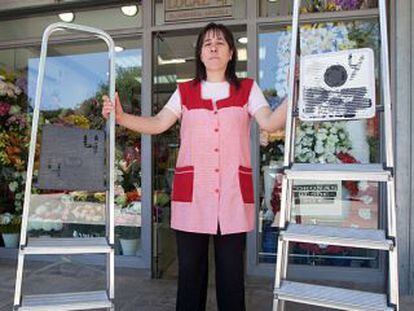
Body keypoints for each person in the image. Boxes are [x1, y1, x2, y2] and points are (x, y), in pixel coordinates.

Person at [102, 22, 287, 311]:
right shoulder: (184, 92)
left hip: (232, 196)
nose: (213, 47)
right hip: (193, 196)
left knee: (231, 277)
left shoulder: (248, 89)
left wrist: (298, 90)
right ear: (200, 54)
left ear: (230, 53)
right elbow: (158, 123)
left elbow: (271, 122)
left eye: (220, 43)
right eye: (207, 44)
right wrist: (122, 118)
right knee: (190, 276)